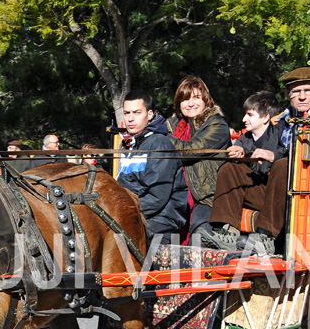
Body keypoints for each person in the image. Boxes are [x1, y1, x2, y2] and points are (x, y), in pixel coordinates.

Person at [203, 91, 287, 255]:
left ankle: (266, 237)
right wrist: (237, 153)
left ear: (265, 118)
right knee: (229, 168)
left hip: (276, 196)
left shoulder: (278, 135)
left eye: (250, 115)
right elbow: (243, 165)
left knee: (281, 165)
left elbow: (285, 157)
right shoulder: (245, 138)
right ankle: (228, 233)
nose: (244, 119)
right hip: (257, 192)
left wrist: (272, 156)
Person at [165, 75, 232, 236]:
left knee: (199, 233)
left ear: (206, 100)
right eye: (185, 99)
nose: (190, 103)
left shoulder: (217, 125)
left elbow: (189, 150)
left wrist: (160, 135)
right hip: (172, 192)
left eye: (196, 97)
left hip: (207, 196)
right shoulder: (172, 127)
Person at [116, 89, 188, 238]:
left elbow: (157, 197)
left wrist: (123, 211)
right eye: (127, 113)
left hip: (161, 219)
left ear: (149, 114)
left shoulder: (159, 144)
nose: (130, 118)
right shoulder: (130, 145)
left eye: (137, 112)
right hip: (133, 212)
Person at [274, 67, 310, 149]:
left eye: (308, 90)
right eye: (296, 91)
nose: (302, 97)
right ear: (287, 94)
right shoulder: (275, 123)